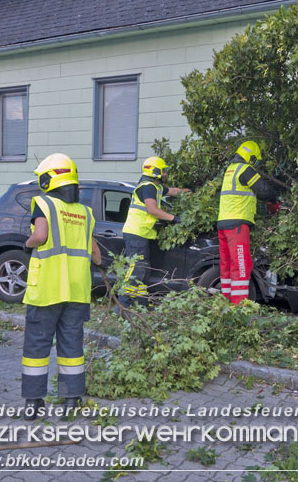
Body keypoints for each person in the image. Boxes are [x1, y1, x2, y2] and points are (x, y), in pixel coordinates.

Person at [21, 153, 102, 417]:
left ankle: (34, 405)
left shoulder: (43, 204)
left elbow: (40, 235)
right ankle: (71, 402)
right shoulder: (85, 213)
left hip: (47, 289)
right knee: (71, 346)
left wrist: (27, 243)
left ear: (49, 179)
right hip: (77, 292)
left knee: (37, 345)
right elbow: (97, 255)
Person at [118, 157, 189, 308]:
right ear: (156, 171)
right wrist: (174, 218)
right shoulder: (148, 187)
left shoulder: (156, 188)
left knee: (143, 269)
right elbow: (152, 210)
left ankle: (141, 304)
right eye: (163, 171)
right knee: (136, 269)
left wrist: (189, 192)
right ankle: (123, 305)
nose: (165, 174)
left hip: (142, 234)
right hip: (136, 232)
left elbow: (174, 191)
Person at [217, 141, 277, 304]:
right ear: (251, 157)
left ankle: (226, 304)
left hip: (223, 224)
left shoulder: (229, 170)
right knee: (241, 266)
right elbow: (264, 190)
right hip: (237, 225)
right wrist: (274, 199)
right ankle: (239, 307)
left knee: (227, 266)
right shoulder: (245, 169)